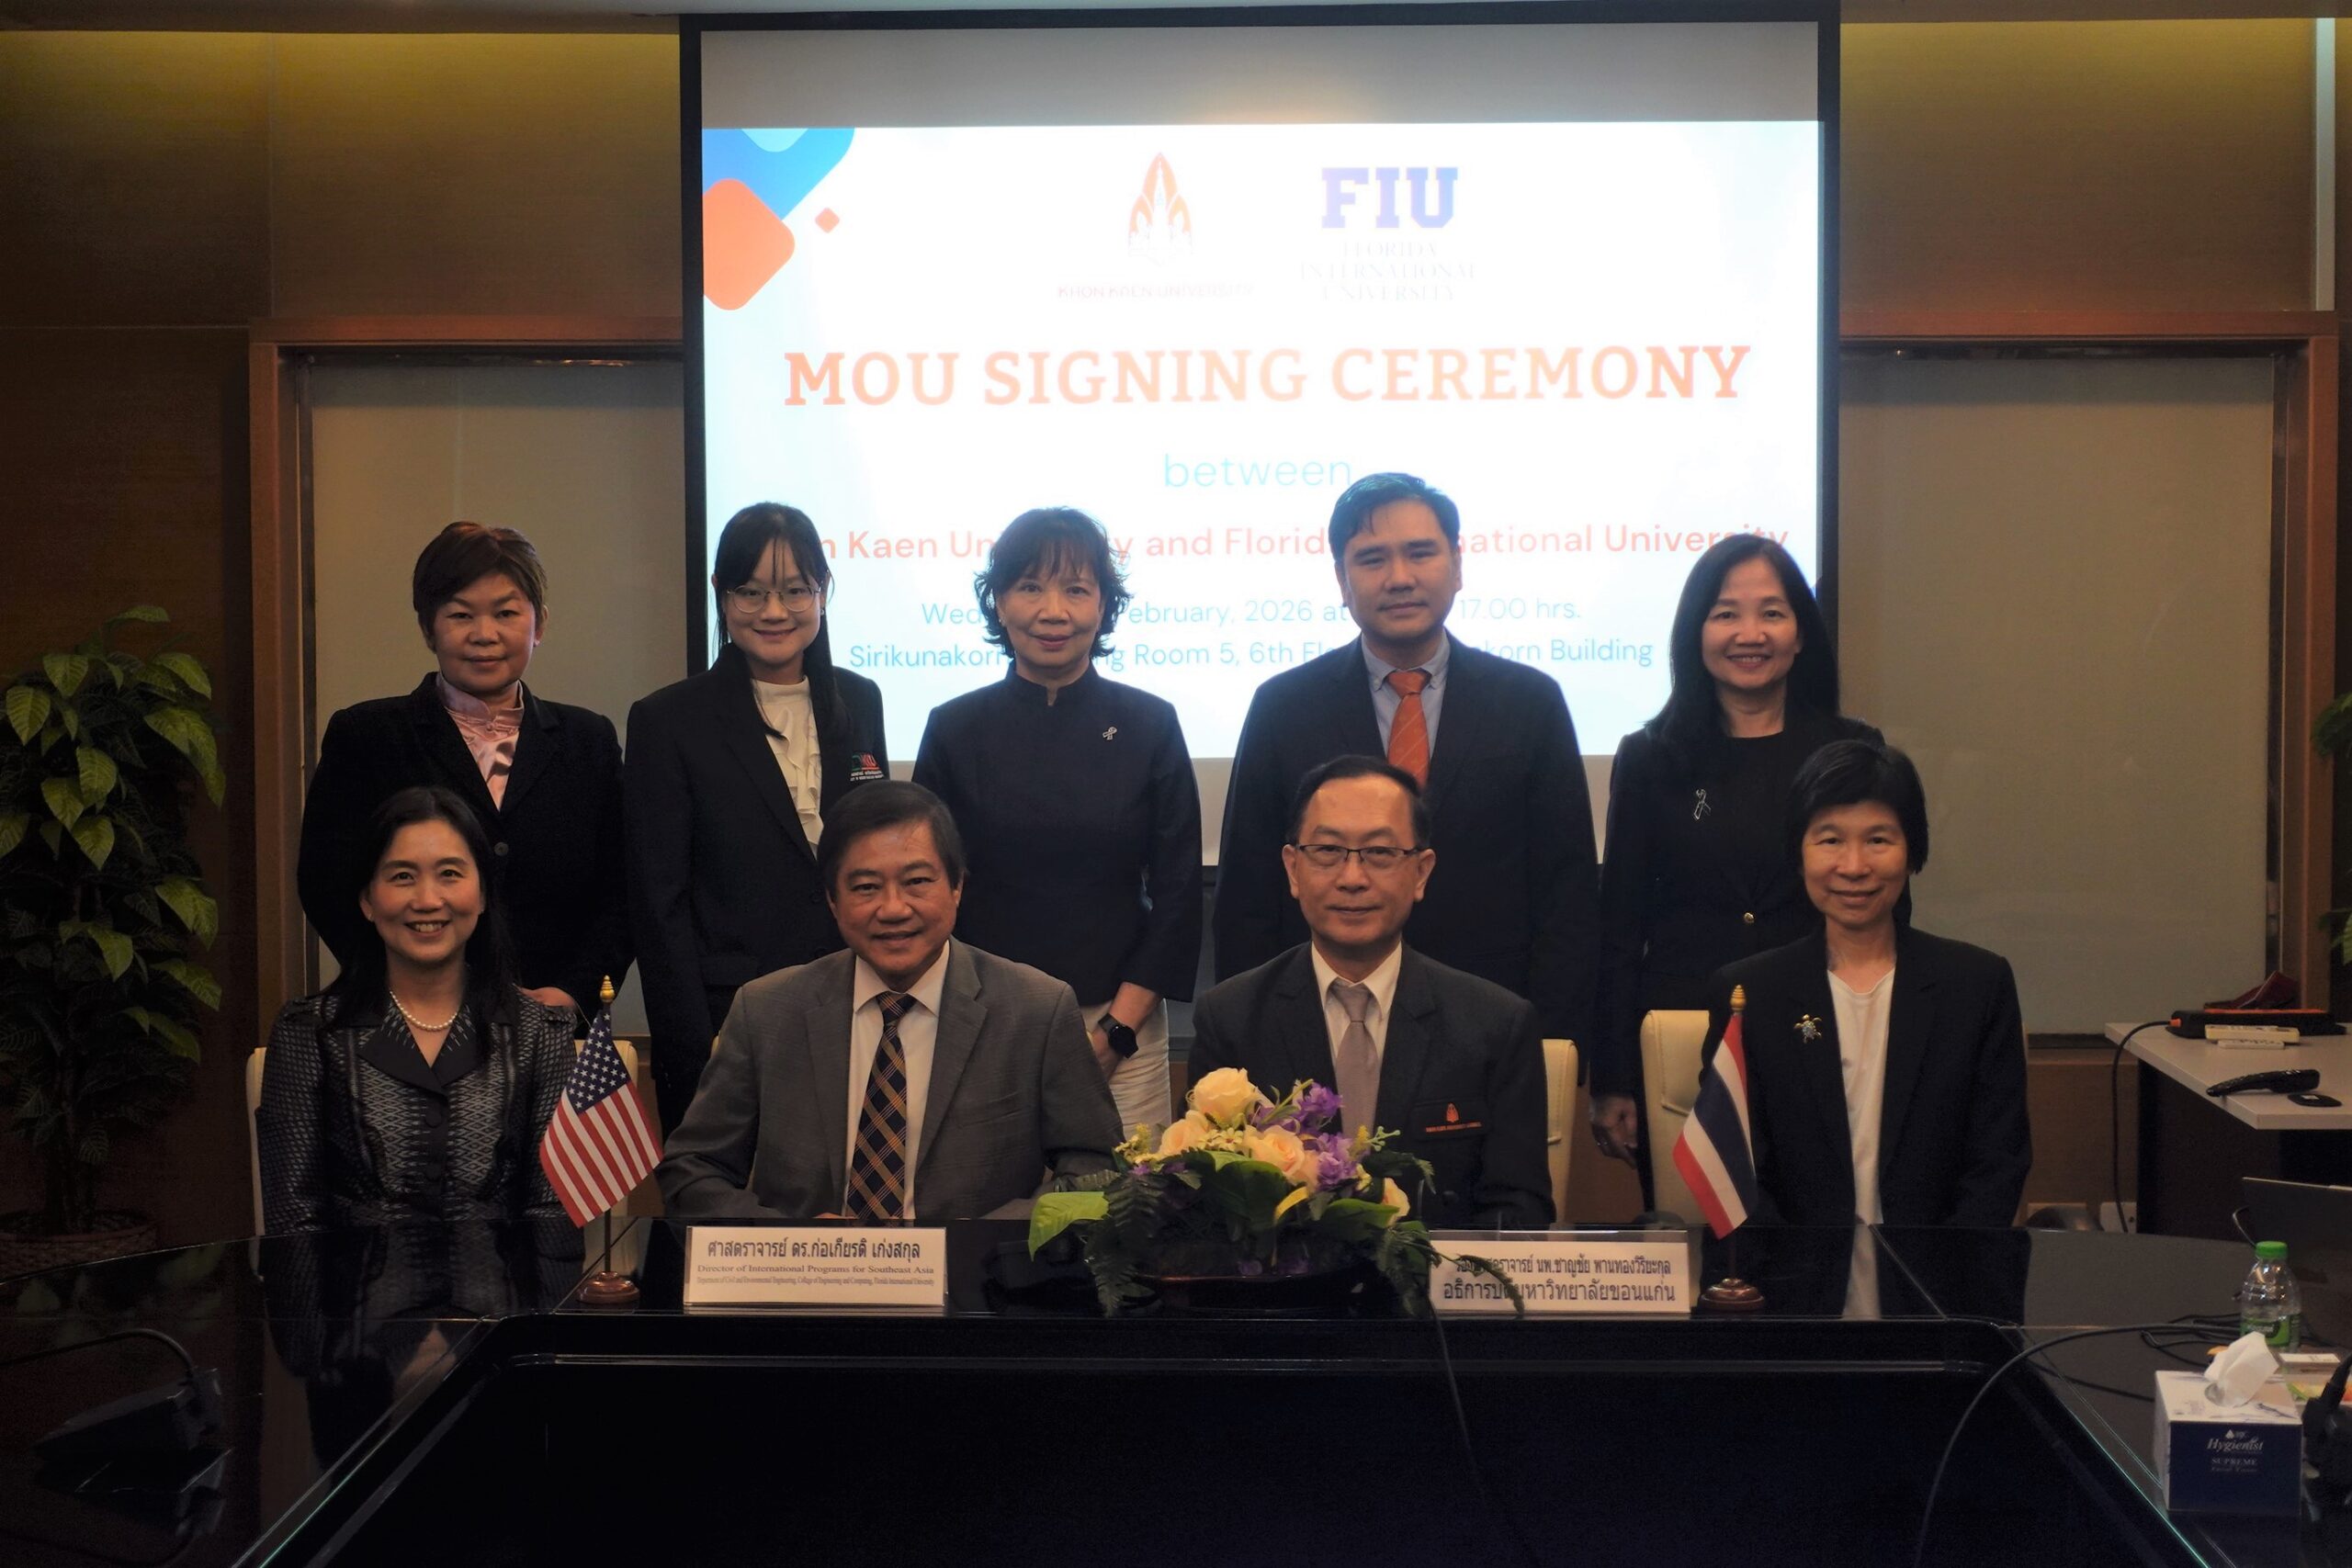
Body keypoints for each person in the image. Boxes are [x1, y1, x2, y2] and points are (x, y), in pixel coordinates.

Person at [1214, 472, 1599, 1054]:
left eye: (1420, 553)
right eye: (1372, 559)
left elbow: (1566, 893)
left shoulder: (1528, 702)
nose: (1399, 577)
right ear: (1342, 580)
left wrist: (1555, 1044)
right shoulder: (1284, 707)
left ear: (1458, 566)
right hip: (1320, 1027)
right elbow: (1248, 896)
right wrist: (1251, 1041)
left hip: (1494, 1027)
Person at [658, 781, 1122, 1222]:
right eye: (866, 887)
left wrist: (971, 1242)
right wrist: (789, 1240)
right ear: (833, 901)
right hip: (809, 1276)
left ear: (956, 887)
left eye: (917, 881)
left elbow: (1097, 1173)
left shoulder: (1038, 1010)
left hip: (974, 1275)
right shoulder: (766, 1011)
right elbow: (691, 1172)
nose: (894, 908)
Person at [1589, 535, 1888, 1199]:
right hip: (1680, 1036)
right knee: (1699, 1233)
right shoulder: (1650, 756)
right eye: (1726, 613)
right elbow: (1619, 926)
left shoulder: (1849, 750)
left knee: (1823, 1219)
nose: (1749, 634)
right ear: (1695, 632)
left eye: (1772, 613)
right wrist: (1612, 1077)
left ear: (1801, 634)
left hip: (1821, 1024)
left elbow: (1881, 907)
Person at [912, 507, 1201, 1134]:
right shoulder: (954, 729)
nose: (1053, 611)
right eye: (1030, 587)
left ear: (1104, 605)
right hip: (981, 1025)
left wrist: (1116, 1033)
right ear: (999, 603)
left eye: (1075, 589)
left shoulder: (1151, 724)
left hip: (1121, 1026)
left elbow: (1179, 894)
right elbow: (925, 887)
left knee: (1128, 1196)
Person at [1191, 756, 1552, 1231]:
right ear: (1293, 869)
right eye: (1328, 850)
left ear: (1421, 872)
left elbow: (1517, 1214)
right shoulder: (1231, 1019)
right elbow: (1206, 1209)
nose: (1353, 878)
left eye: (1380, 852)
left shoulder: (1495, 1025)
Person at [297, 522, 628, 1028]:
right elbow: (326, 882)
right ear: (428, 627)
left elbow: (621, 889)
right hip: (404, 1020)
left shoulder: (589, 741)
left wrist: (573, 991)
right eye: (460, 615)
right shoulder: (367, 735)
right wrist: (402, 987)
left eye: (506, 613)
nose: (484, 634)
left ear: (539, 624)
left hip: (554, 1024)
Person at [626, 502, 890, 1134]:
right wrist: (691, 1046)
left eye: (795, 590)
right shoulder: (668, 720)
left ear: (822, 591)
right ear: (721, 594)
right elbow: (659, 904)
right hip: (729, 1020)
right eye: (751, 592)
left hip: (856, 1002)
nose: (774, 612)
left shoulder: (860, 700)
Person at [1701, 740, 2030, 1228]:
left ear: (1912, 852)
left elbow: (1997, 1164)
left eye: (1878, 840)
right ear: (1799, 853)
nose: (1854, 867)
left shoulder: (1977, 986)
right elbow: (1735, 1171)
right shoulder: (1748, 994)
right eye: (1830, 840)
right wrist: (1796, 1266)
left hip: (1940, 1268)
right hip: (1792, 1269)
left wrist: (1945, 1267)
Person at [260, 786, 573, 1233]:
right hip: (352, 1280)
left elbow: (551, 1218)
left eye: (450, 874)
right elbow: (295, 1226)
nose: (427, 899)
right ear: (367, 900)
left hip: (507, 1280)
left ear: (483, 895)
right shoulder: (309, 1032)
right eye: (402, 876)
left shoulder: (542, 1033)